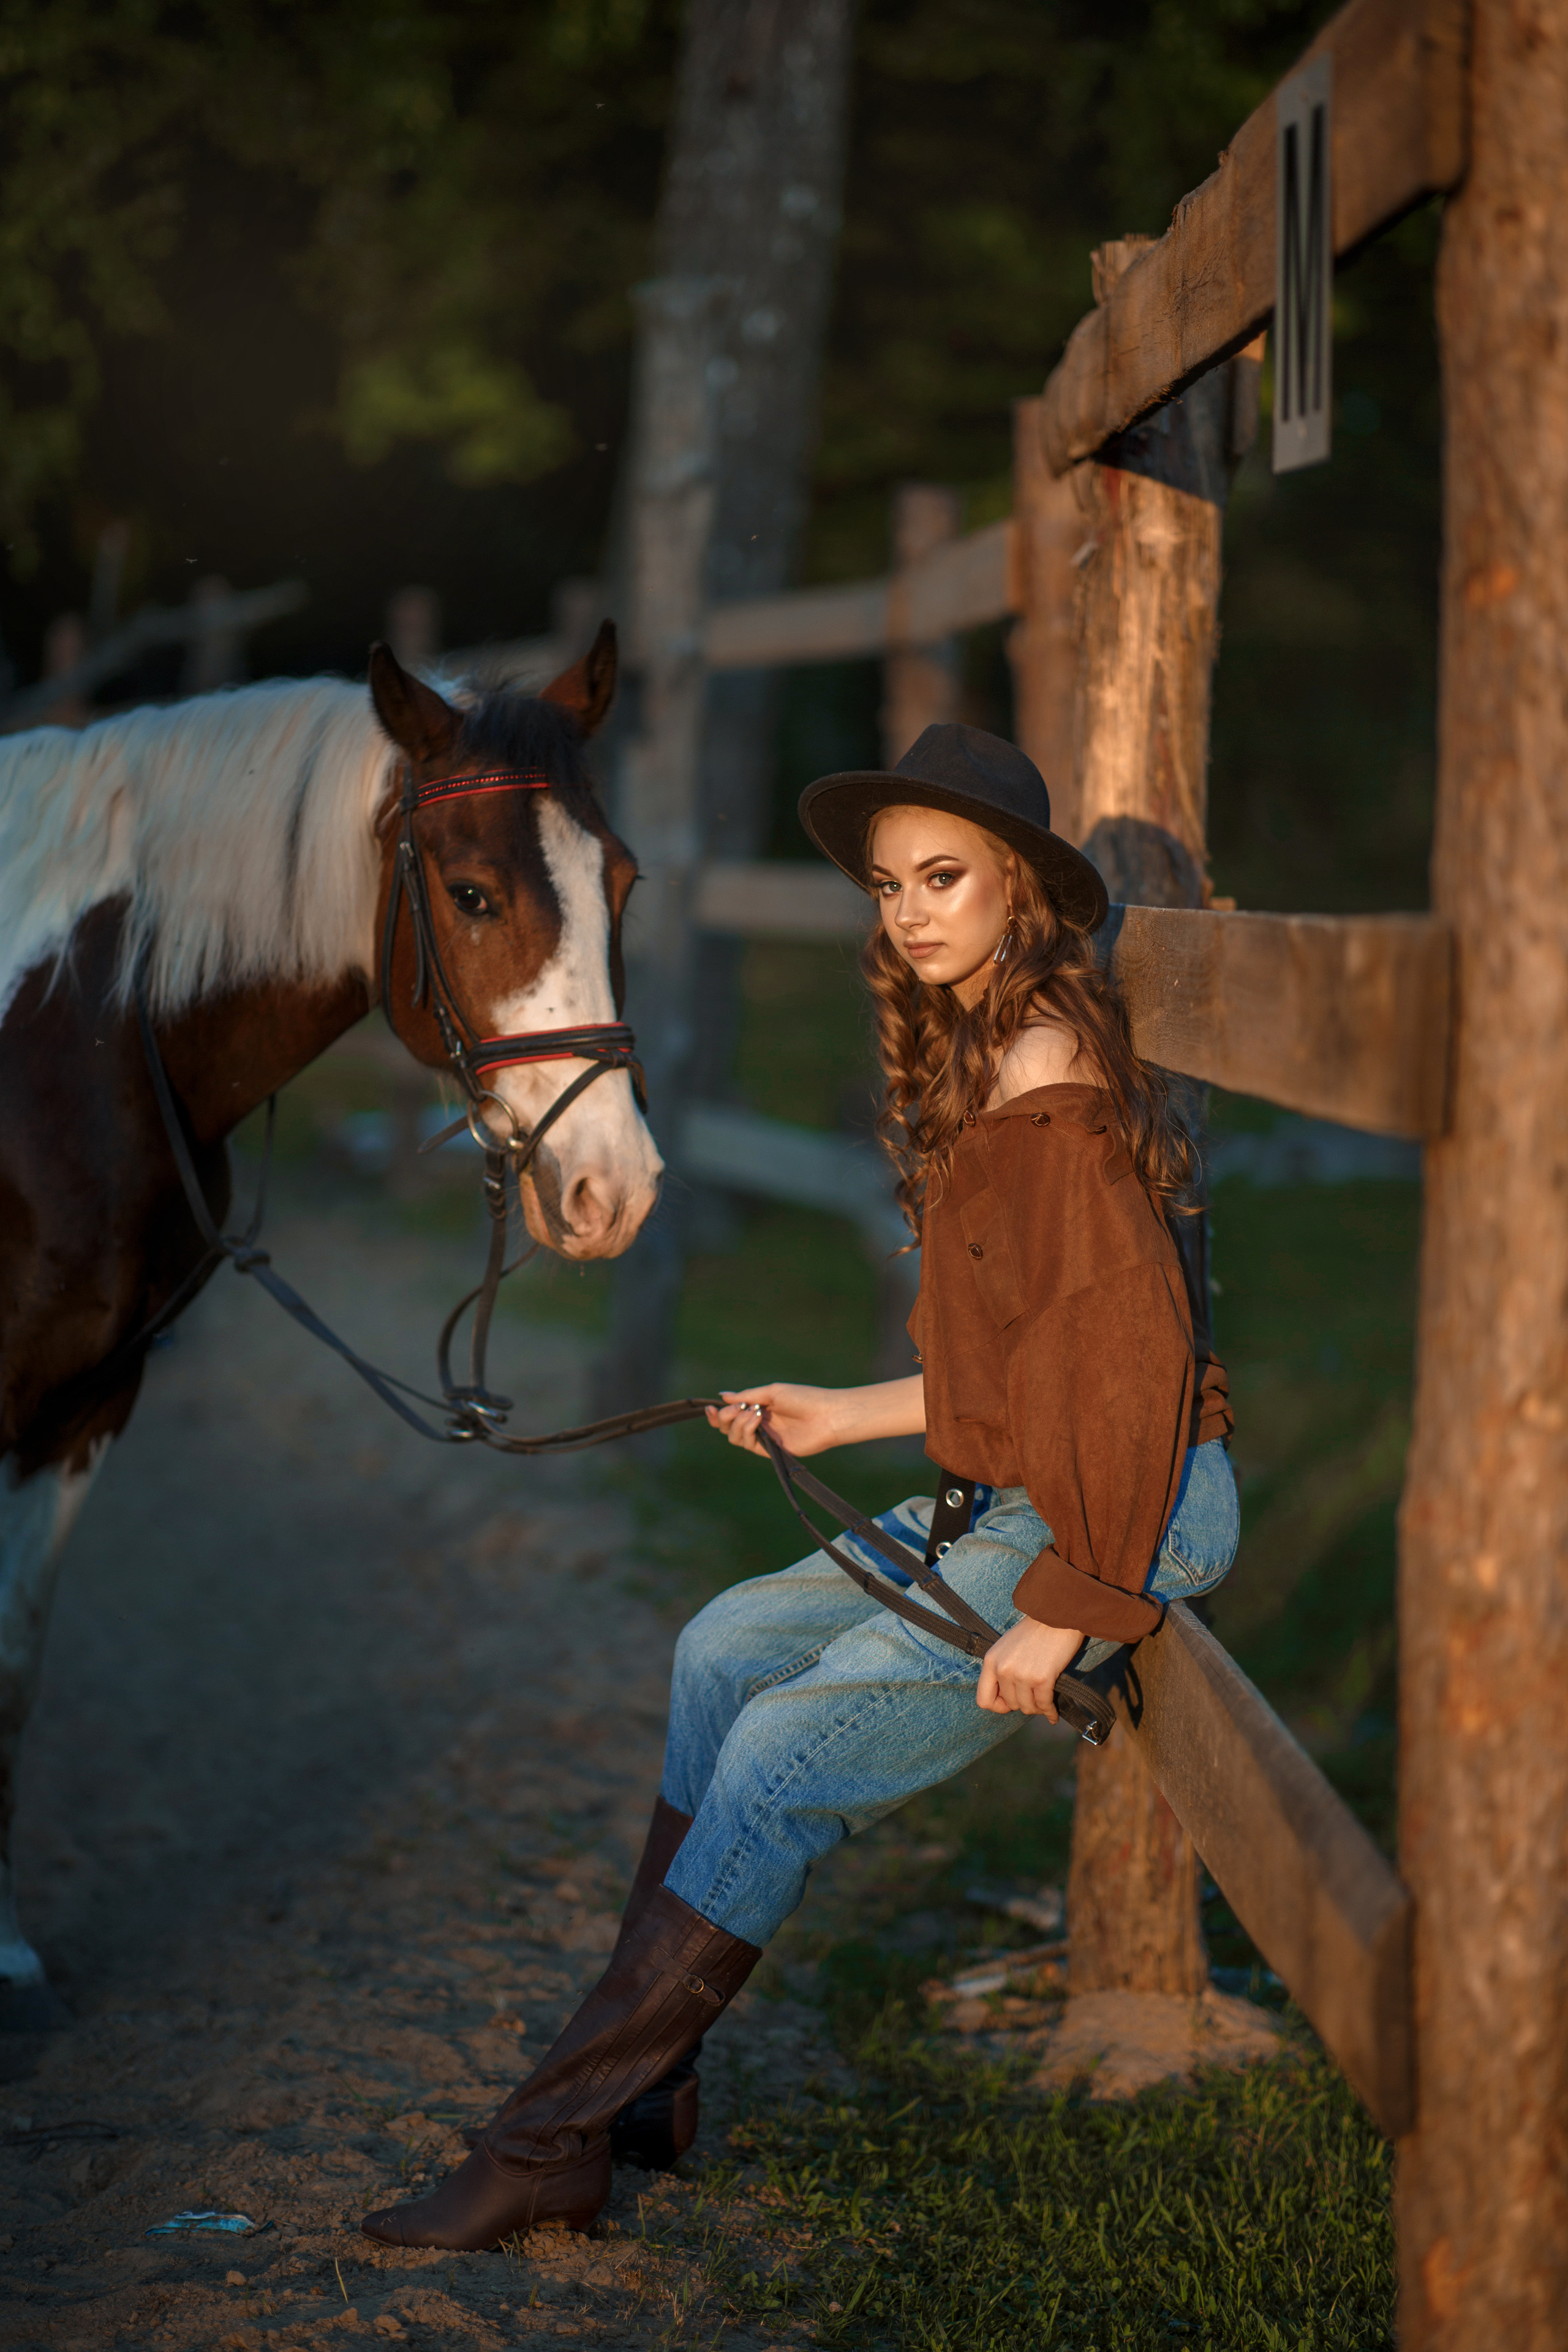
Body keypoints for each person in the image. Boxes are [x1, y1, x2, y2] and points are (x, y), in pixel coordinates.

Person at [361, 723, 1237, 2252]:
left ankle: (547, 2136)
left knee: (771, 1756)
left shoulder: (1041, 1070)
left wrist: (1077, 1601)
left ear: (1020, 885)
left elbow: (1126, 1362)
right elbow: (1027, 1374)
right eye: (890, 884)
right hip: (1051, 1476)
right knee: (719, 1649)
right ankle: (647, 2087)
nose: (907, 911)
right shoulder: (985, 1041)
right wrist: (843, 1415)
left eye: (944, 879)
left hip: (1124, 1502)